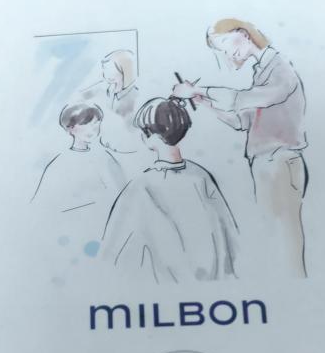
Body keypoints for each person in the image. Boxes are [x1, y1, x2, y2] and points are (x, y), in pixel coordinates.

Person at [173, 18, 308, 276]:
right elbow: (243, 121)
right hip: (266, 163)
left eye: (225, 42)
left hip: (280, 161)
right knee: (273, 234)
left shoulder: (280, 68)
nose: (227, 52)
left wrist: (199, 89)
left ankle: (294, 285)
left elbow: (243, 99)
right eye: (221, 49)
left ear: (244, 33)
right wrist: (204, 102)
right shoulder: (262, 71)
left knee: (286, 236)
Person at [101, 97, 238, 283]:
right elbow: (228, 232)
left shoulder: (141, 185)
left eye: (143, 131)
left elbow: (112, 251)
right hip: (214, 280)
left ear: (152, 136)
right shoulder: (201, 175)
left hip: (168, 285)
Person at [32, 103, 124, 234]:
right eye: (85, 124)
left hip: (105, 227)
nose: (92, 129)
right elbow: (43, 205)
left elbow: (123, 196)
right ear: (70, 128)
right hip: (69, 229)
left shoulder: (106, 159)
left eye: (96, 123)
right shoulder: (58, 164)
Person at [83, 48, 139, 154]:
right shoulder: (104, 87)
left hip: (125, 147)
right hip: (103, 143)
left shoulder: (134, 95)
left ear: (124, 70)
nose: (106, 75)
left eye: (111, 71)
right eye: (105, 70)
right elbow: (81, 96)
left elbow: (132, 129)